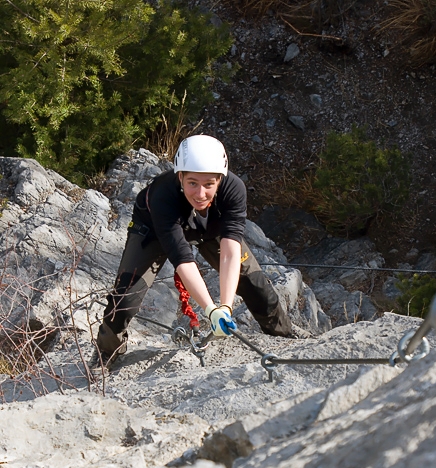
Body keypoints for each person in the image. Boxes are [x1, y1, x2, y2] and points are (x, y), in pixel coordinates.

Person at [93, 134, 292, 368]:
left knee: (256, 285)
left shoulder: (234, 190)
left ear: (220, 179)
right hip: (151, 229)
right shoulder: (163, 195)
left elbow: (230, 253)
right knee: (124, 299)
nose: (200, 194)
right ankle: (107, 351)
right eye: (192, 183)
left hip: (210, 227)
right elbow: (182, 259)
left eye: (209, 184)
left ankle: (284, 337)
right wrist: (210, 311)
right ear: (180, 176)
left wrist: (225, 308)